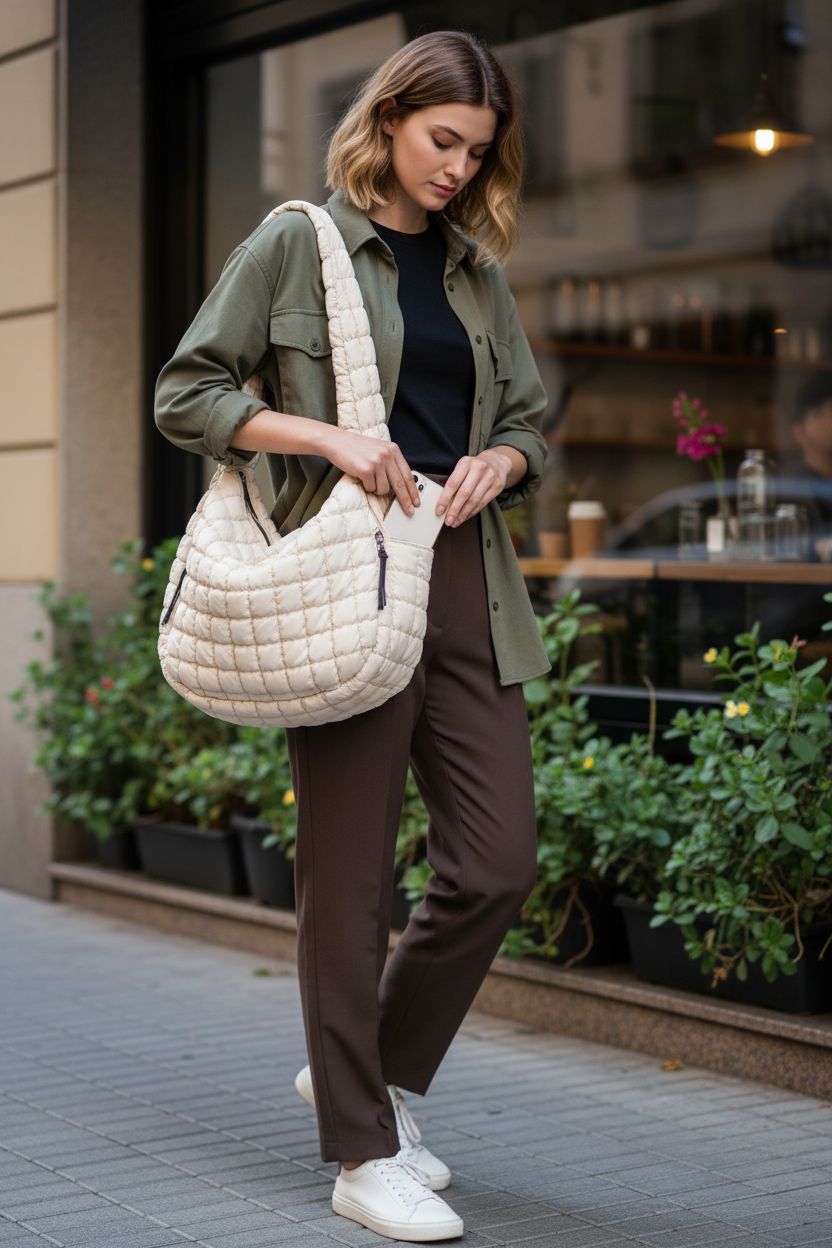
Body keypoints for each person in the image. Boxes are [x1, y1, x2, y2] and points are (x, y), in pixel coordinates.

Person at [154, 28, 551, 1242]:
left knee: (496, 862)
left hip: (463, 580)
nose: (458, 169)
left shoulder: (477, 271)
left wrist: (499, 456)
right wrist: (327, 439)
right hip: (346, 578)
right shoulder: (299, 241)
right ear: (388, 122)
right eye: (442, 141)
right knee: (350, 882)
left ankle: (364, 1069)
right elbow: (187, 393)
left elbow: (531, 418)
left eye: (477, 152)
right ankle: (358, 1151)